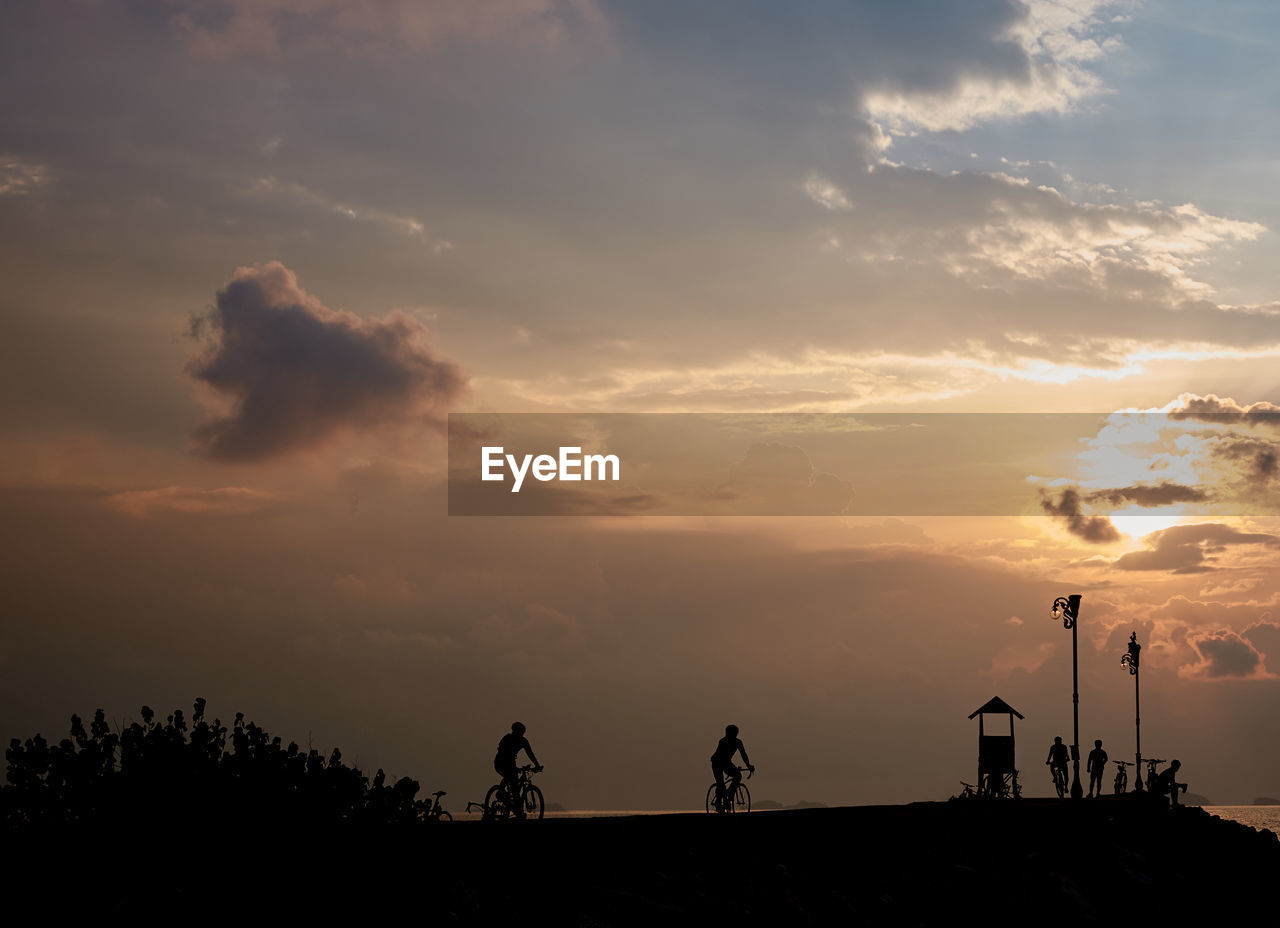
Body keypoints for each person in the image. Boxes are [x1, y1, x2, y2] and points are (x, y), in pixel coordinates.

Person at [494, 722, 542, 817]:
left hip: (511, 762)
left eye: (521, 732)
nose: (520, 734)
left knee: (515, 787)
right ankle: (500, 791)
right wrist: (513, 767)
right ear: (514, 731)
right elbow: (501, 752)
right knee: (510, 776)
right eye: (518, 732)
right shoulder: (507, 738)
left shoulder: (524, 741)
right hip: (500, 762)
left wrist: (537, 765)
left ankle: (516, 809)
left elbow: (530, 753)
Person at [710, 724, 754, 810]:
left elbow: (743, 754)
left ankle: (729, 794)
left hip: (726, 763)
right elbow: (723, 757)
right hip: (717, 763)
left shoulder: (738, 742)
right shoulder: (722, 742)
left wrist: (748, 765)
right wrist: (732, 767)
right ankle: (719, 801)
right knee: (721, 784)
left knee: (738, 776)